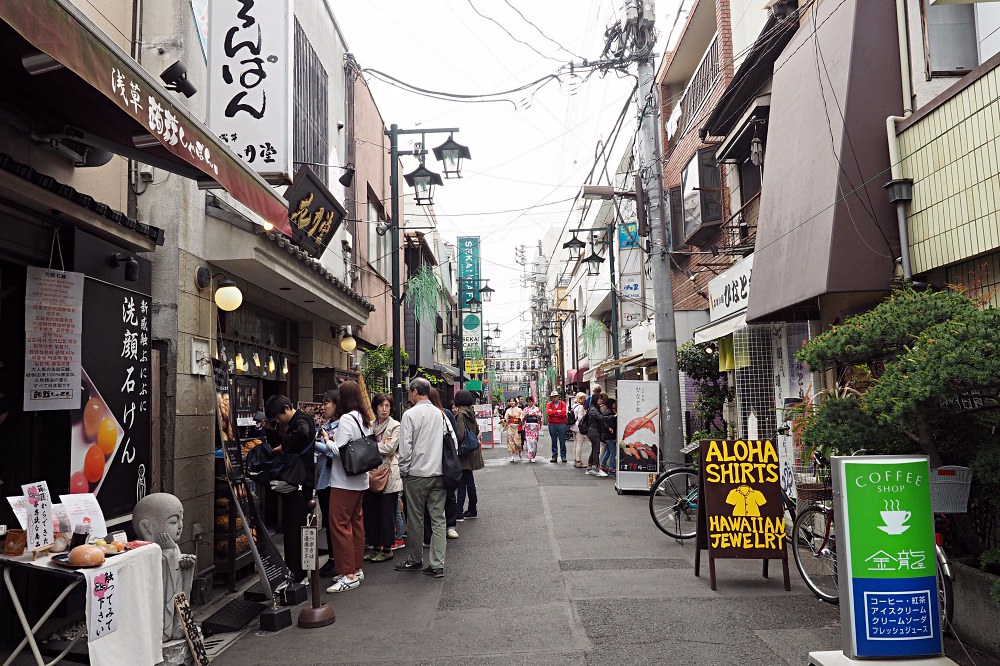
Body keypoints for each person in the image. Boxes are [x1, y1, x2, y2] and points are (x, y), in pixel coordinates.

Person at [395, 377, 454, 578]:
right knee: (438, 519)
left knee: (416, 519)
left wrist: (404, 470)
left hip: (417, 474)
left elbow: (405, 449)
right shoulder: (441, 414)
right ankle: (437, 564)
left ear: (414, 391)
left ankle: (415, 559)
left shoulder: (410, 415)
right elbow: (451, 440)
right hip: (439, 474)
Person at [261, 395, 316, 584]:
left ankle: (298, 572)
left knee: (295, 526)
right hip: (301, 479)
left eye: (278, 416)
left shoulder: (301, 420)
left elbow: (302, 433)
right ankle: (297, 569)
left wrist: (284, 446)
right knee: (294, 526)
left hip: (300, 481)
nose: (278, 420)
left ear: (286, 408)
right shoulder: (301, 419)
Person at [324, 380, 371, 593]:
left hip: (344, 481)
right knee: (356, 523)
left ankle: (349, 574)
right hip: (361, 479)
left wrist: (326, 439)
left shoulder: (345, 418)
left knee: (339, 524)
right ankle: (356, 568)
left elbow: (339, 451)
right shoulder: (363, 418)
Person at [363, 393, 401, 563]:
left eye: (387, 406)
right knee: (372, 512)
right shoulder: (370, 425)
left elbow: (390, 447)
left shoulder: (395, 425)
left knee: (387, 513)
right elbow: (379, 446)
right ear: (375, 407)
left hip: (389, 473)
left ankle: (387, 548)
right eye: (381, 406)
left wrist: (371, 446)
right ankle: (376, 546)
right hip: (372, 473)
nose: (384, 409)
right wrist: (377, 446)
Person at [313, 389, 339, 577]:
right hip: (322, 478)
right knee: (330, 523)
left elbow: (334, 451)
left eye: (326, 403)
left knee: (333, 523)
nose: (323, 407)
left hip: (332, 480)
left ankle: (336, 560)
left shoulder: (339, 426)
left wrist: (316, 443)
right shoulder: (327, 426)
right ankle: (332, 559)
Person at [428, 388, 459, 540]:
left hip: (437, 459)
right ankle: (450, 526)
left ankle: (445, 526)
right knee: (449, 492)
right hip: (446, 459)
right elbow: (455, 437)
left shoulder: (444, 413)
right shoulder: (447, 413)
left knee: (440, 494)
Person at [452, 390, 483, 520]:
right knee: (469, 480)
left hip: (464, 452)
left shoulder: (460, 415)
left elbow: (459, 435)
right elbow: (476, 431)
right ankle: (472, 508)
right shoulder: (471, 412)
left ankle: (461, 511)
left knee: (463, 482)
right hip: (472, 450)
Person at [584, 395, 608, 477]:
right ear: (595, 399)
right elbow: (601, 418)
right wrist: (613, 416)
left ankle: (589, 468)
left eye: (601, 398)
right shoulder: (593, 409)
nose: (601, 400)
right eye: (599, 398)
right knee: (596, 450)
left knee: (594, 449)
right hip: (593, 432)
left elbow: (601, 419)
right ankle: (598, 469)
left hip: (594, 431)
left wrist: (608, 427)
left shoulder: (595, 408)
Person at [545, 391, 569, 463]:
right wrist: (558, 412)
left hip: (562, 424)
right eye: (553, 396)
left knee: (562, 441)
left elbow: (563, 412)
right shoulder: (549, 404)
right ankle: (554, 456)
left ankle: (563, 456)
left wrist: (554, 413)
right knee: (554, 440)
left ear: (558, 397)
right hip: (552, 424)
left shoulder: (563, 404)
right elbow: (549, 413)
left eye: (555, 396)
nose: (554, 398)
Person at [598, 397, 618, 476]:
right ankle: (611, 468)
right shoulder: (611, 414)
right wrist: (614, 437)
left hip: (606, 436)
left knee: (608, 451)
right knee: (613, 451)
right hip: (609, 436)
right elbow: (612, 427)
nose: (615, 404)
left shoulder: (607, 412)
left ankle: (602, 466)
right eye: (614, 403)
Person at [570, 392, 588, 468]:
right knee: (579, 444)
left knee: (575, 443)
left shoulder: (574, 406)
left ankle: (575, 460)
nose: (585, 400)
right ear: (581, 399)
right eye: (584, 398)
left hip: (573, 426)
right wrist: (585, 414)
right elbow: (580, 418)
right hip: (578, 427)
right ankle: (578, 461)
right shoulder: (580, 407)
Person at [521, 396, 542, 462]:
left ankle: (533, 454)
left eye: (530, 402)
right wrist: (525, 416)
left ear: (533, 402)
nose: (529, 403)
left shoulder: (537, 409)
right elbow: (522, 419)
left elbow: (540, 419)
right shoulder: (525, 410)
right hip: (528, 426)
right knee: (529, 441)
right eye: (528, 402)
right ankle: (531, 456)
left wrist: (538, 417)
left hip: (535, 426)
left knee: (534, 441)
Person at [503, 397, 523, 462]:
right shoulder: (508, 410)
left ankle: (520, 452)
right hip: (510, 427)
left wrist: (519, 421)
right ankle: (511, 456)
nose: (512, 402)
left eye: (513, 401)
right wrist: (504, 421)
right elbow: (506, 418)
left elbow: (522, 418)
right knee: (510, 442)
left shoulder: (519, 410)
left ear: (515, 402)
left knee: (518, 442)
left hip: (517, 427)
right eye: (510, 401)